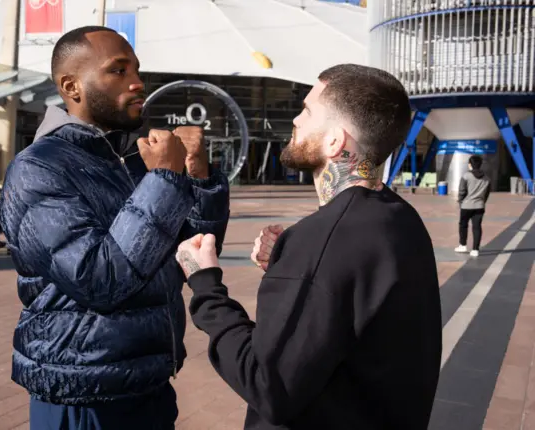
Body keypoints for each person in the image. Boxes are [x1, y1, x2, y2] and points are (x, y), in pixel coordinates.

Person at [175, 64, 442, 430]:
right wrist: (292, 266)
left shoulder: (324, 240)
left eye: (307, 110)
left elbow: (270, 387)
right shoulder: (401, 220)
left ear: (335, 141)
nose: (297, 121)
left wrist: (205, 284)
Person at [0, 26, 229, 429]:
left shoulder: (135, 160)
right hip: (84, 390)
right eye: (118, 71)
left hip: (148, 384)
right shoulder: (40, 168)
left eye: (137, 69)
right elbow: (100, 280)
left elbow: (192, 251)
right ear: (72, 87)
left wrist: (199, 176)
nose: (138, 82)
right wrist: (165, 181)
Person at [455, 155, 491, 258]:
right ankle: (475, 249)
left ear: (470, 165)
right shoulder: (487, 178)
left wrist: (460, 201)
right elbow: (487, 193)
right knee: (477, 227)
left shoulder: (466, 176)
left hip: (466, 205)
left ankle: (462, 245)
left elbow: (462, 191)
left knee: (463, 225)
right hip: (479, 206)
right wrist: (482, 202)